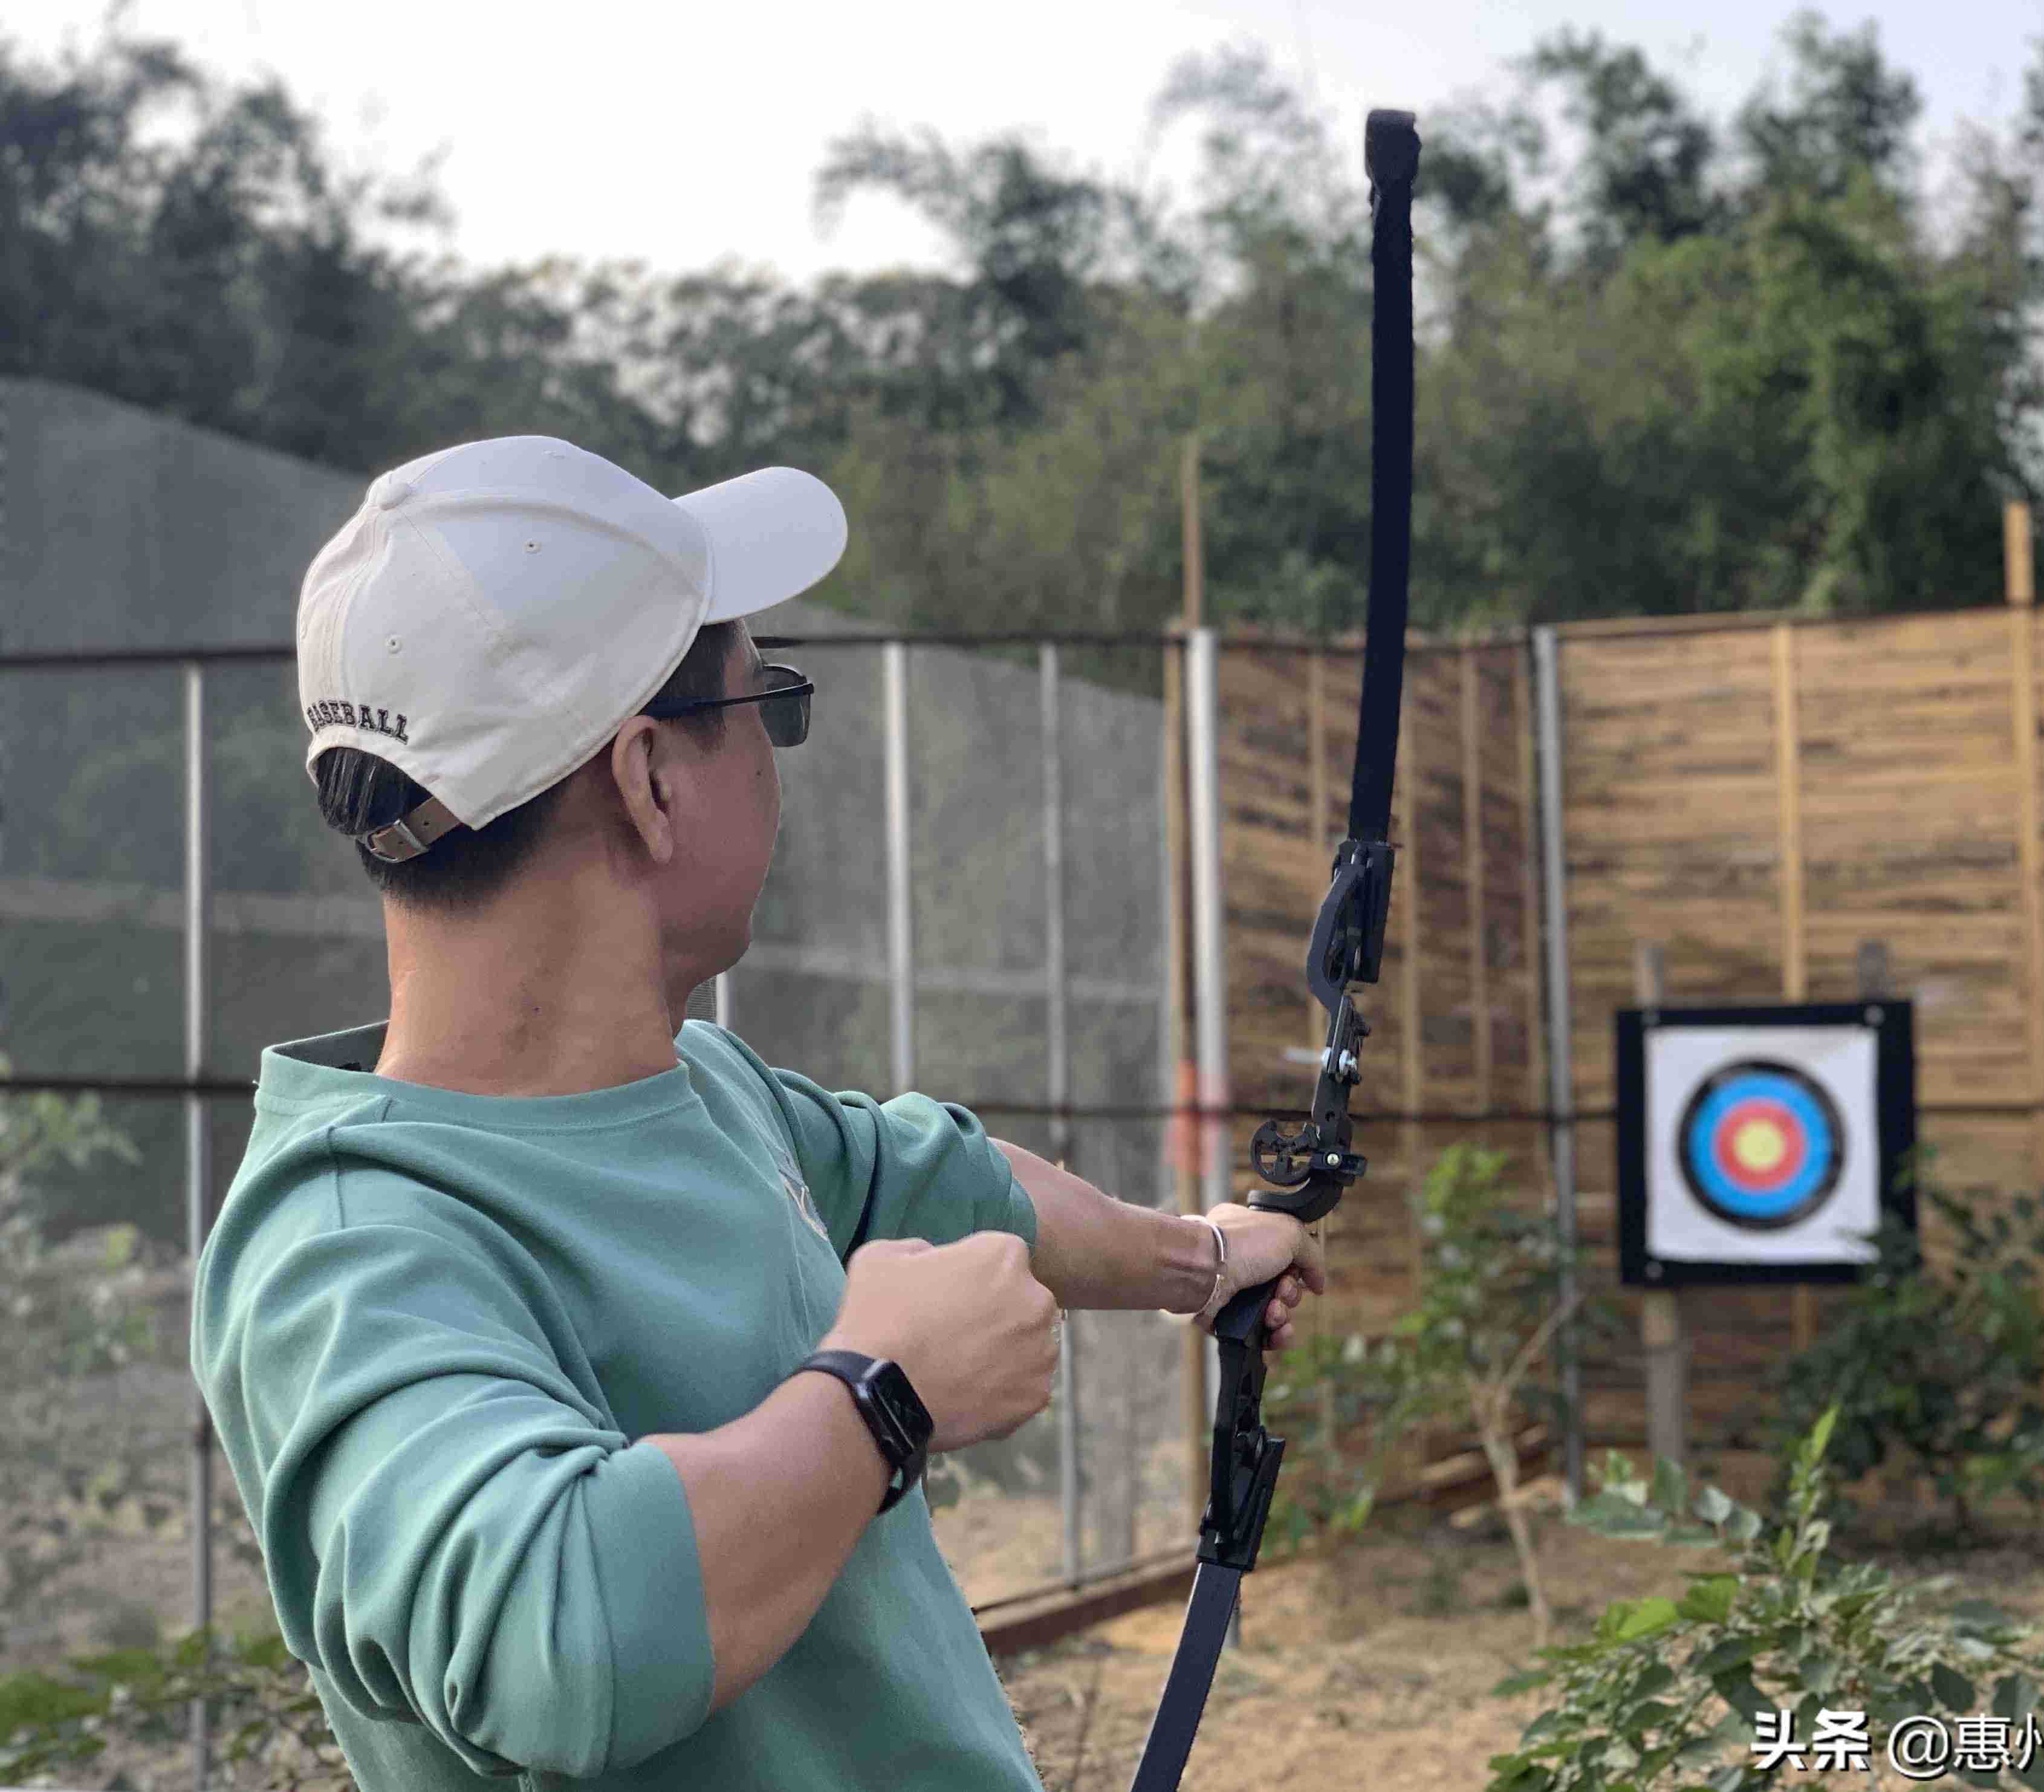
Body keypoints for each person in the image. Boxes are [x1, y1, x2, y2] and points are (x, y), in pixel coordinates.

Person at [191, 435, 1322, 1791]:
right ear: (650, 778)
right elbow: (553, 1637)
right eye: (765, 705)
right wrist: (880, 1400)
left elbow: (944, 1184)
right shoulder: (352, 1244)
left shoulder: (703, 1092)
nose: (776, 763)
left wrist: (1200, 1258)